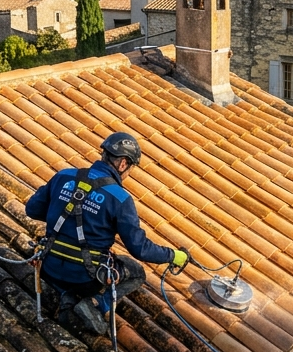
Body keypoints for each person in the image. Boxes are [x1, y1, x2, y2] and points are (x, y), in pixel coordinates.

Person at [26, 132, 188, 335]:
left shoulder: (63, 176)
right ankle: (95, 303)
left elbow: (32, 209)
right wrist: (174, 256)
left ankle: (67, 296)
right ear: (122, 164)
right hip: (84, 278)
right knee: (135, 271)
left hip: (48, 267)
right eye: (130, 168)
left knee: (66, 268)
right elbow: (139, 248)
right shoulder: (119, 198)